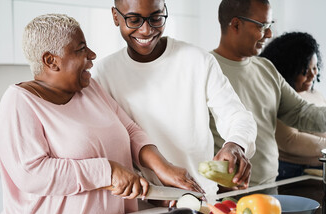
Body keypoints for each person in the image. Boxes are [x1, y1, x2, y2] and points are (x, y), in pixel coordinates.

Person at [0, 13, 202, 214]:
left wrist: (163, 167)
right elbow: (33, 174)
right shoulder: (19, 102)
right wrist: (107, 171)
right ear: (51, 60)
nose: (92, 55)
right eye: (81, 49)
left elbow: (130, 131)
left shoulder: (90, 88)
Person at [92, 0, 257, 196]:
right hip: (143, 202)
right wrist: (157, 196)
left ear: (165, 11)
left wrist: (235, 144)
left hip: (202, 198)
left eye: (156, 18)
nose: (146, 30)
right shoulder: (103, 73)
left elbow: (237, 116)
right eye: (134, 20)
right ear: (115, 16)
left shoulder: (197, 60)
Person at [210, 0, 326, 186]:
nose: (270, 34)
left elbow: (301, 112)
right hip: (225, 194)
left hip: (270, 186)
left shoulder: (266, 68)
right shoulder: (206, 68)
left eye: (270, 25)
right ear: (236, 24)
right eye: (262, 26)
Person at [260, 32, 326, 180]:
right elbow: (290, 140)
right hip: (294, 172)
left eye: (315, 67)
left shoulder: (314, 93)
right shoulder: (278, 97)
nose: (312, 75)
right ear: (288, 69)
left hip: (317, 167)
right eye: (304, 70)